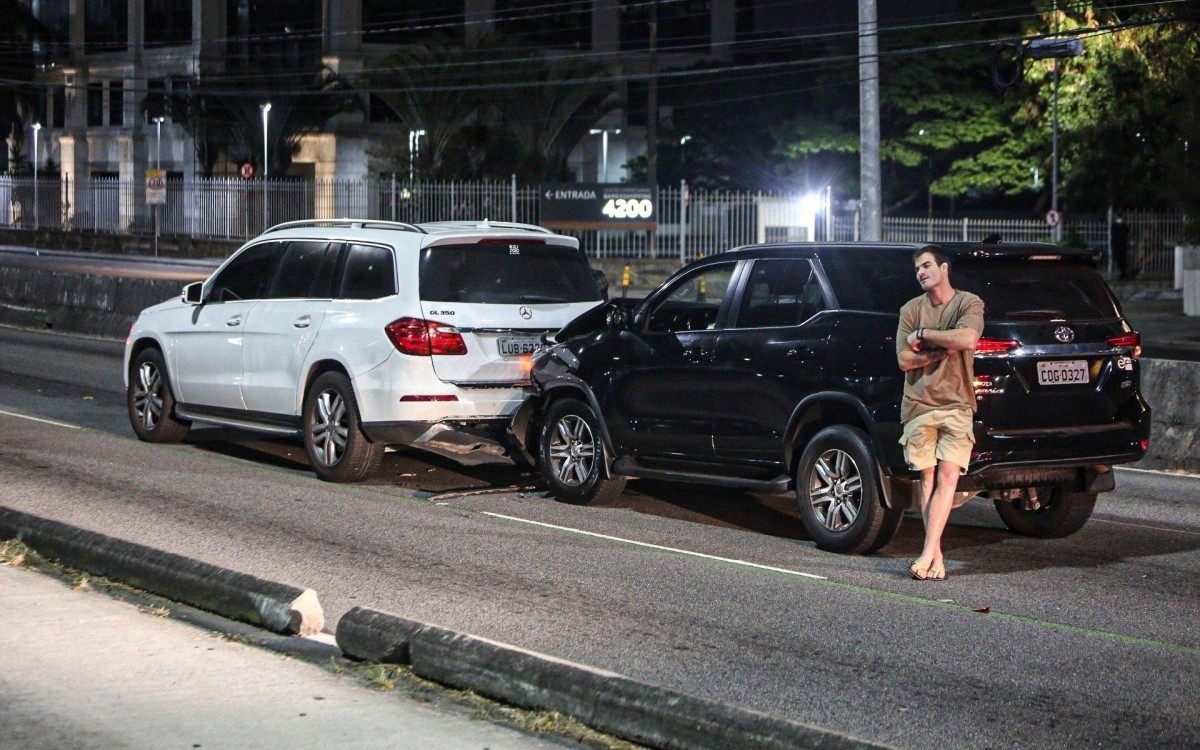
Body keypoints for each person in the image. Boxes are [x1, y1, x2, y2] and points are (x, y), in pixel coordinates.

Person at [896, 248, 985, 581]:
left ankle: (926, 552)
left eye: (927, 265)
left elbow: (968, 338)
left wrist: (925, 336)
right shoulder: (910, 309)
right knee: (927, 478)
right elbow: (904, 360)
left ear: (944, 268)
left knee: (948, 477)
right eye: (917, 268)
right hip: (919, 404)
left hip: (958, 403)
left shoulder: (968, 303)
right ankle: (936, 554)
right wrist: (942, 350)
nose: (921, 272)